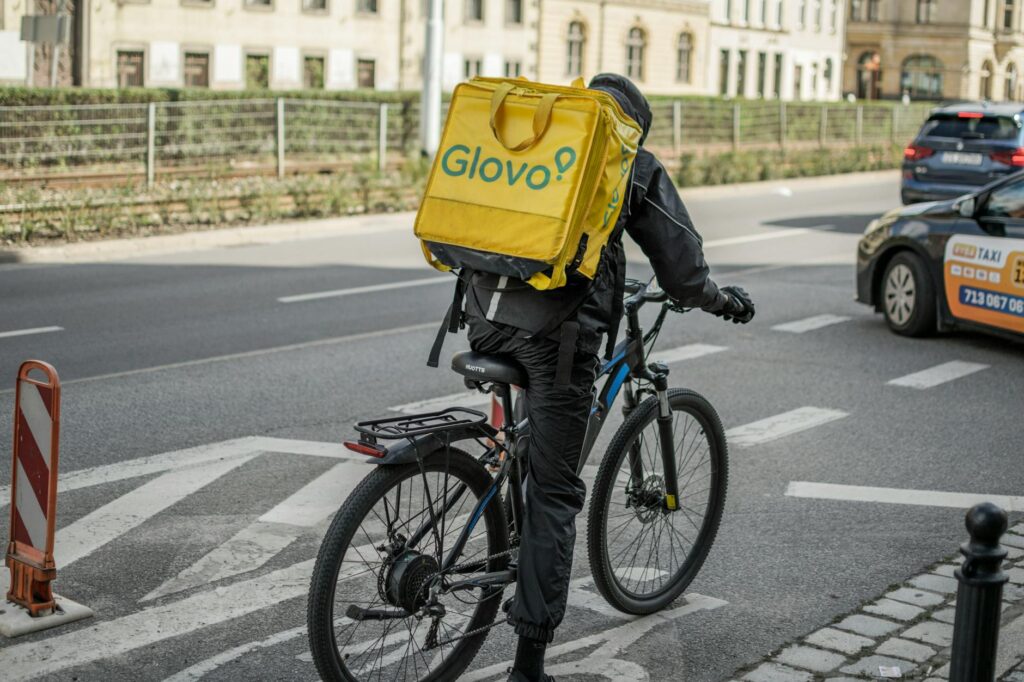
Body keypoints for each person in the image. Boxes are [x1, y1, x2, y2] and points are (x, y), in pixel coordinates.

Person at [461, 73, 755, 682]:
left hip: (482, 319)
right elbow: (679, 262)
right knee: (556, 493)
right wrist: (718, 299)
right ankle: (528, 665)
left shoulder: (539, 132)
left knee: (533, 451)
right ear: (631, 126)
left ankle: (506, 512)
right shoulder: (627, 160)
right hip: (555, 338)